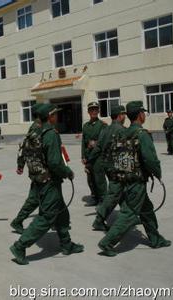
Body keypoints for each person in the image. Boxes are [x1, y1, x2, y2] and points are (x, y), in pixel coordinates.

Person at [10, 104, 84, 265]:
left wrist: (21, 165)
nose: (57, 116)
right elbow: (55, 162)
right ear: (50, 117)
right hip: (50, 182)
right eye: (55, 114)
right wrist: (67, 172)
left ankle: (66, 244)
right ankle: (20, 246)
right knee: (46, 217)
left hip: (40, 180)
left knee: (62, 213)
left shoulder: (34, 132)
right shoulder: (50, 134)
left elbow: (25, 152)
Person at [98, 101, 171, 257]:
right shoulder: (142, 134)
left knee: (146, 209)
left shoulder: (122, 133)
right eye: (143, 113)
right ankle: (107, 242)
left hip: (124, 178)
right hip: (136, 182)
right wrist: (158, 174)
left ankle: (155, 238)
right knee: (130, 214)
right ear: (140, 115)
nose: (144, 115)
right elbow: (150, 160)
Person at [87, 105, 127, 231]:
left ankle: (128, 214)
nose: (125, 117)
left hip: (107, 166)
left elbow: (97, 148)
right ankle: (99, 219)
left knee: (121, 192)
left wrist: (89, 162)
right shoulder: (121, 130)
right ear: (120, 116)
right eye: (124, 114)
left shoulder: (106, 130)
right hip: (118, 167)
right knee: (114, 194)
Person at [10, 103, 44, 234]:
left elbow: (22, 148)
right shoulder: (37, 129)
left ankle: (52, 221)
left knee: (40, 199)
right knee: (35, 199)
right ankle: (18, 221)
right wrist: (20, 165)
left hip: (37, 170)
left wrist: (20, 165)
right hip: (39, 171)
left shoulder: (35, 128)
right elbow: (24, 148)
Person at [81, 102, 107, 206]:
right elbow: (83, 142)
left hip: (98, 157)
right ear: (88, 112)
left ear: (99, 111)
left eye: (96, 109)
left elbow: (105, 140)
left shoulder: (103, 125)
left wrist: (96, 143)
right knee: (90, 179)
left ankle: (103, 200)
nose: (94, 112)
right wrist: (83, 155)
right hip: (88, 156)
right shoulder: (85, 126)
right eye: (91, 110)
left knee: (99, 178)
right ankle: (95, 197)